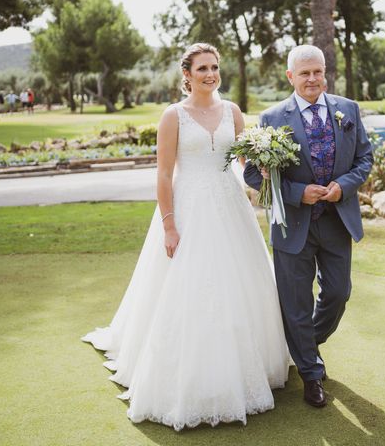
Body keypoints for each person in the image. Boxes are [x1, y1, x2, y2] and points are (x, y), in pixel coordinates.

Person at [82, 43, 289, 430]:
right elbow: (163, 175)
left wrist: (264, 163)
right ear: (187, 75)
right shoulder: (173, 115)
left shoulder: (233, 112)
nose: (210, 74)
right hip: (189, 207)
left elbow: (244, 161)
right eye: (202, 68)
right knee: (191, 285)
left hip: (230, 206)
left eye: (214, 67)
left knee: (240, 283)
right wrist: (169, 225)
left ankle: (249, 365)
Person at [244, 45, 373, 408]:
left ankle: (306, 347)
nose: (312, 79)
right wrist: (299, 192)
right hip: (292, 225)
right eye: (304, 73)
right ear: (290, 76)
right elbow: (254, 173)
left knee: (338, 293)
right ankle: (311, 374)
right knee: (296, 304)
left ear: (325, 72)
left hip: (336, 221)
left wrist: (342, 187)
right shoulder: (271, 118)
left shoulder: (347, 110)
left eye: (317, 72)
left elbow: (364, 158)